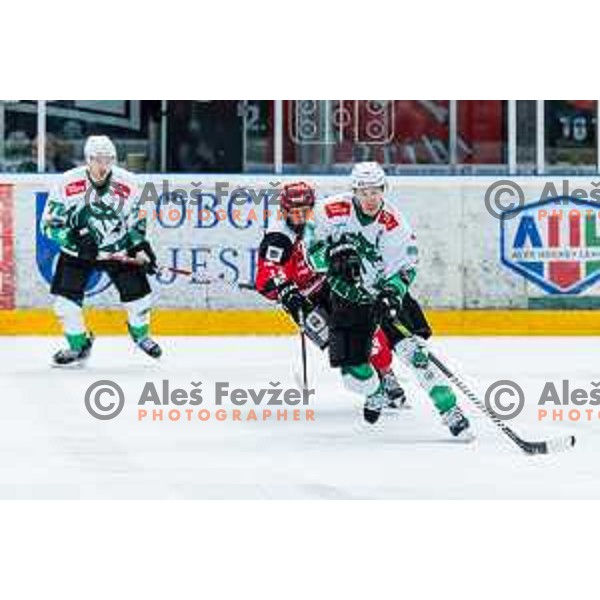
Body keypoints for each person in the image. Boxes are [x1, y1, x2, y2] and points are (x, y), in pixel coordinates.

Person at [304, 161, 472, 437]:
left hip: (384, 294)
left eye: (376, 191)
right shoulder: (329, 211)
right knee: (353, 376)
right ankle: (377, 389)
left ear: (384, 189)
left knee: (416, 354)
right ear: (354, 191)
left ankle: (450, 410)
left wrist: (392, 294)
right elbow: (311, 254)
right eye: (364, 191)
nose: (370, 198)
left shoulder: (394, 225)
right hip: (347, 299)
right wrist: (332, 258)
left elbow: (406, 267)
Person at [255, 181, 406, 407]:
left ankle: (386, 374)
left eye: (304, 212)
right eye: (293, 213)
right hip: (304, 300)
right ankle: (371, 388)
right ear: (283, 211)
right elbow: (266, 273)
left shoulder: (325, 220)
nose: (299, 218)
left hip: (332, 284)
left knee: (365, 329)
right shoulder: (278, 236)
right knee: (337, 342)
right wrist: (285, 291)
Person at [41, 134, 162, 366]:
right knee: (65, 306)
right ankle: (79, 345)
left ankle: (141, 336)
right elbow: (48, 224)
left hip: (117, 249)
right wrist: (74, 240)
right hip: (77, 253)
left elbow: (137, 219)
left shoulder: (129, 182)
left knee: (140, 299)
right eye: (98, 159)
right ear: (88, 159)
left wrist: (138, 246)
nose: (104, 165)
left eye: (109, 159)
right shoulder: (67, 182)